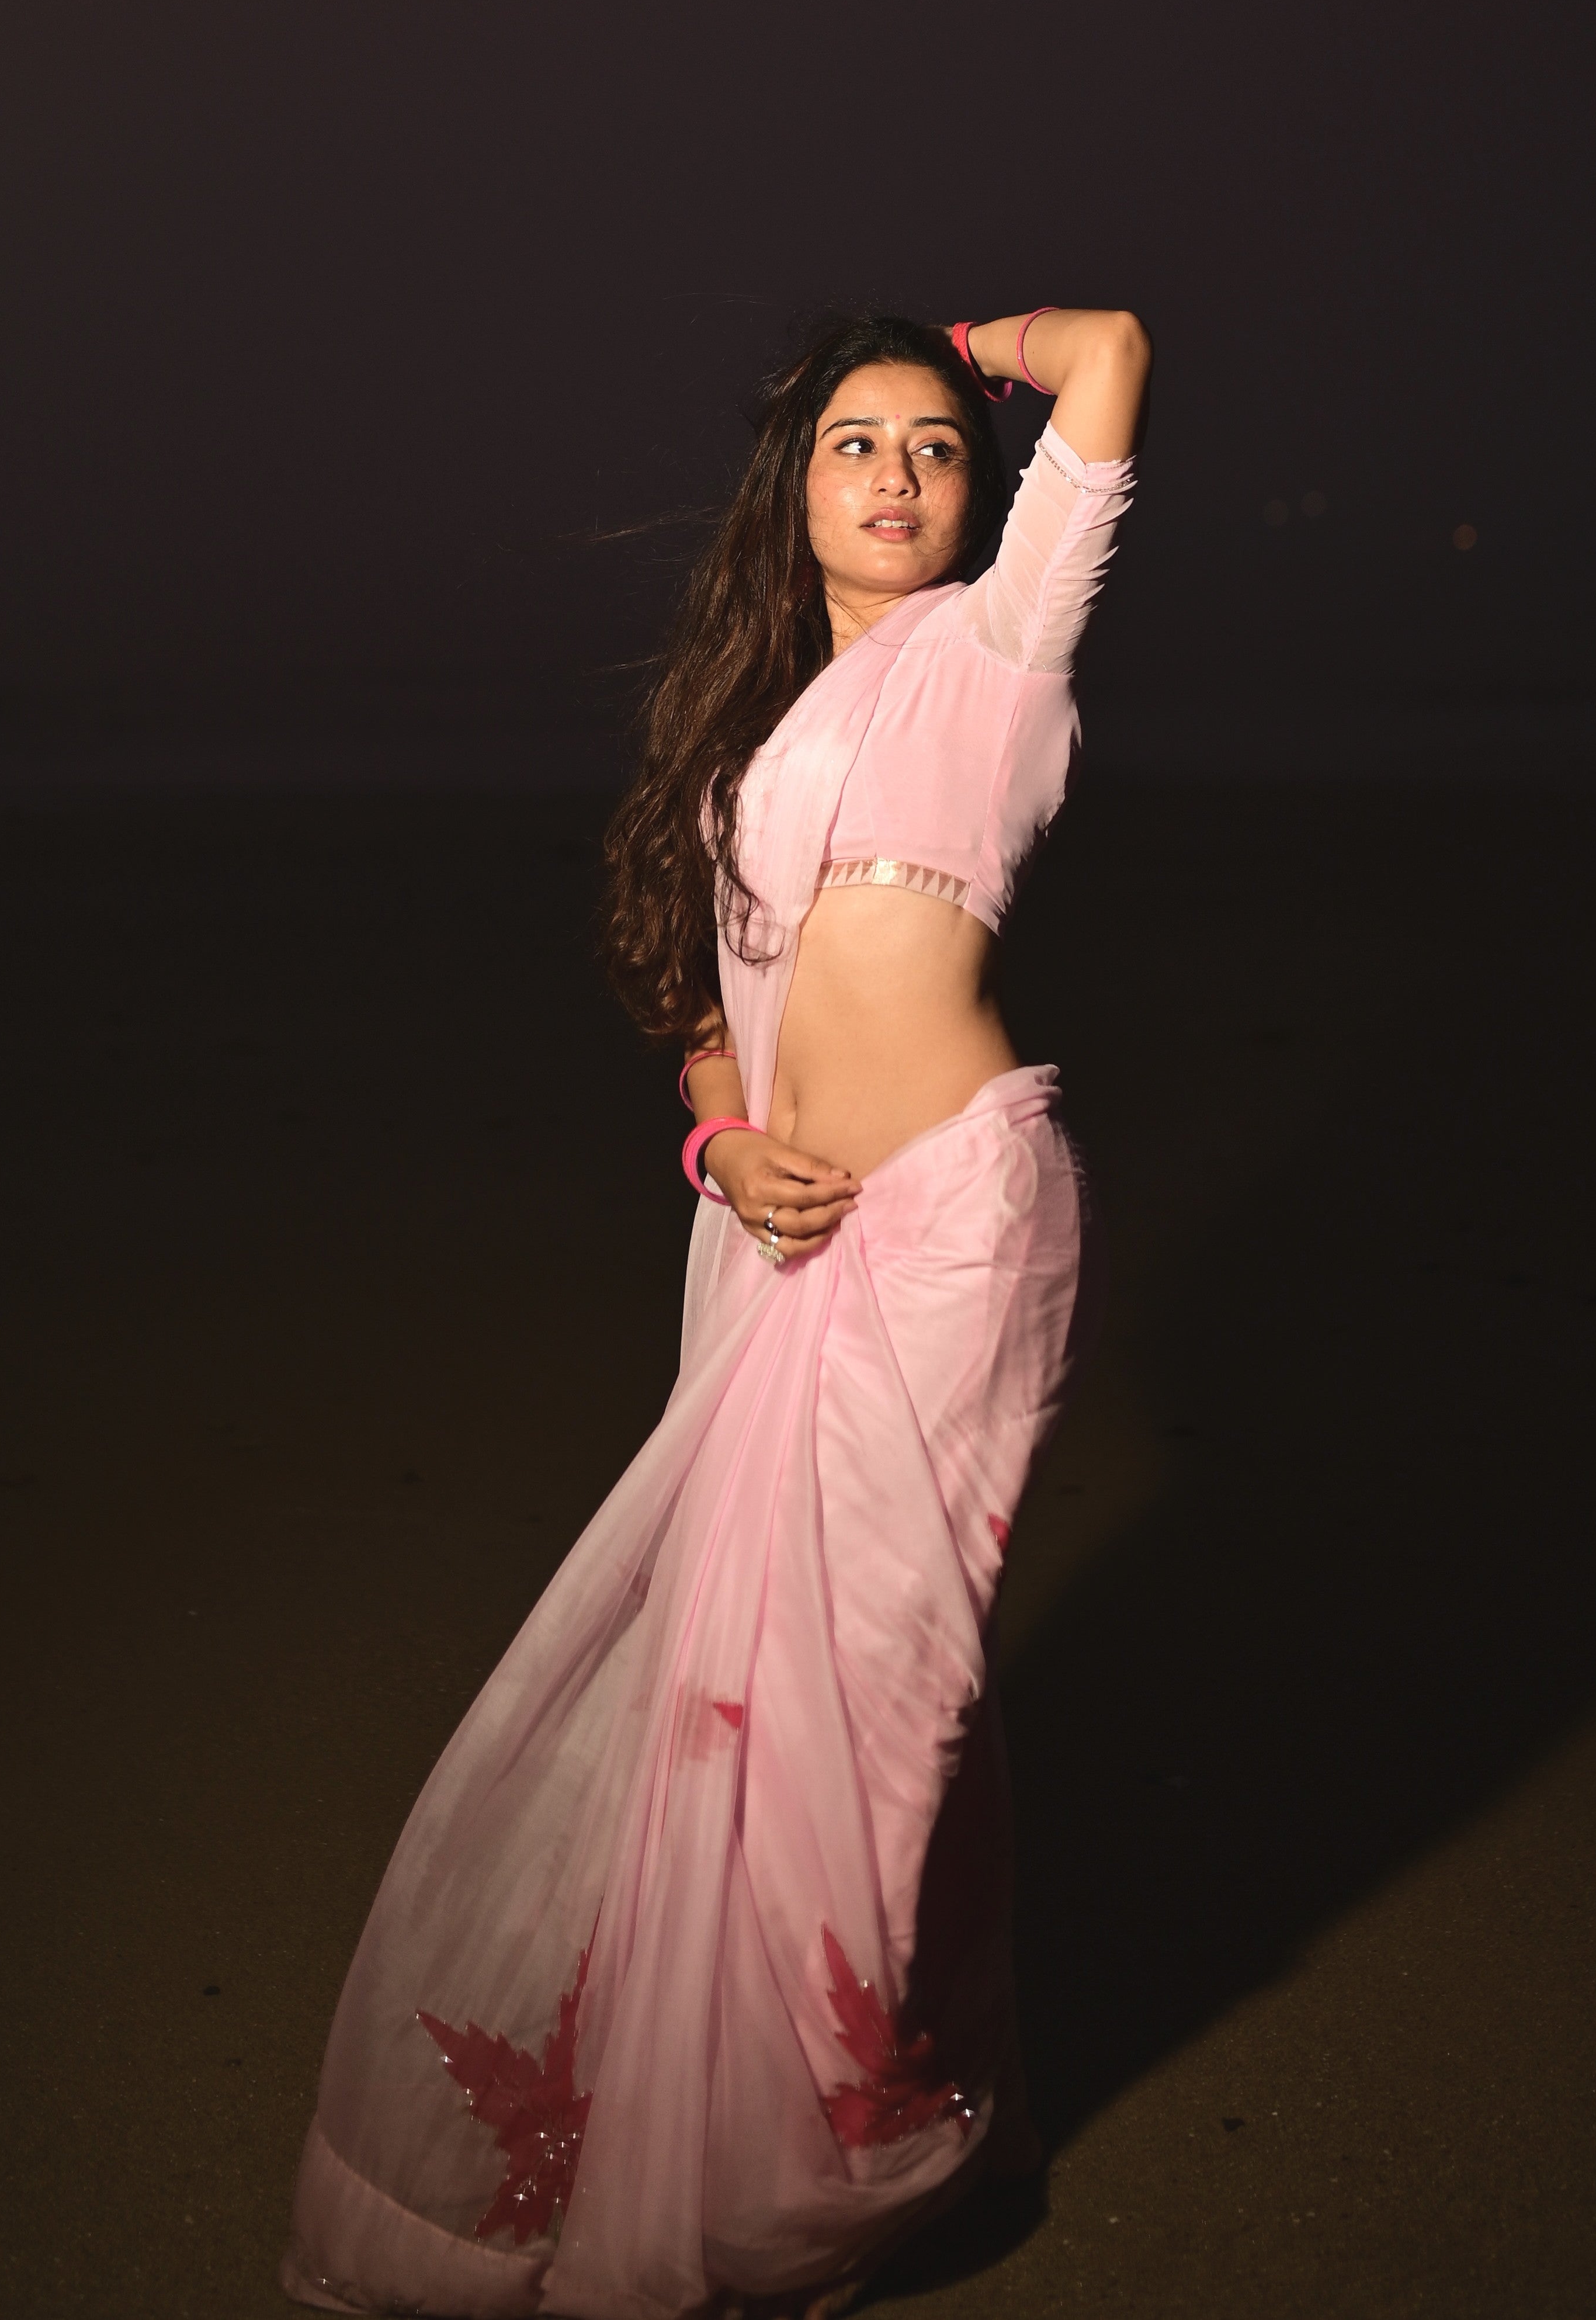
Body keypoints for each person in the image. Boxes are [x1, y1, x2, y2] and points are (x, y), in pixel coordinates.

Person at [281, 306, 1151, 2319]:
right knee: (736, 1705)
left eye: (936, 445)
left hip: (953, 1228)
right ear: (792, 489)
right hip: (778, 1242)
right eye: (854, 443)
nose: (898, 476)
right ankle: (785, 2131)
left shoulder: (999, 649)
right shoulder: (746, 738)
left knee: (888, 1713)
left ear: (982, 488)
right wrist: (721, 1149)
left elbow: (1109, 351)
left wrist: (952, 344)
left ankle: (821, 2165)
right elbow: (705, 1013)